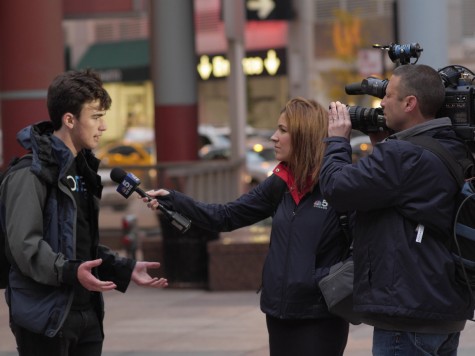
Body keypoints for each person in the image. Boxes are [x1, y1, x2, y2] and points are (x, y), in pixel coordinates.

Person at [144, 97, 350, 356]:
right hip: (278, 313)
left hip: (320, 317)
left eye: (283, 131)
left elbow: (364, 248)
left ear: (305, 136)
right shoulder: (280, 183)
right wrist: (174, 200)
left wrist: (319, 281)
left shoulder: (338, 187)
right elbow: (226, 216)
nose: (274, 137)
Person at [0, 69, 168, 356]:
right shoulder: (30, 174)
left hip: (87, 313)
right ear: (69, 119)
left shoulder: (84, 170)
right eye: (96, 116)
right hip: (46, 317)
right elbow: (24, 247)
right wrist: (70, 271)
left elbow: (79, 240)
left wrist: (124, 269)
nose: (103, 126)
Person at [319, 64, 475, 355]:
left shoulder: (403, 155)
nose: (381, 103)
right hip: (443, 309)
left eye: (388, 95)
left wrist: (338, 140)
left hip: (409, 314)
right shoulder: (453, 145)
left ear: (409, 103)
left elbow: (337, 188)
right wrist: (382, 144)